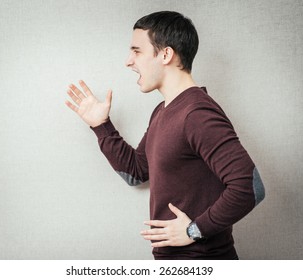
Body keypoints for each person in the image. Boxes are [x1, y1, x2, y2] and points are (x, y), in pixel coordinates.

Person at [65, 11, 265, 260]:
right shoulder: (163, 111)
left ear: (166, 54)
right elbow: (136, 173)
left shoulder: (196, 113)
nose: (128, 61)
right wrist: (101, 125)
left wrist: (195, 230)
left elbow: (250, 187)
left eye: (137, 51)